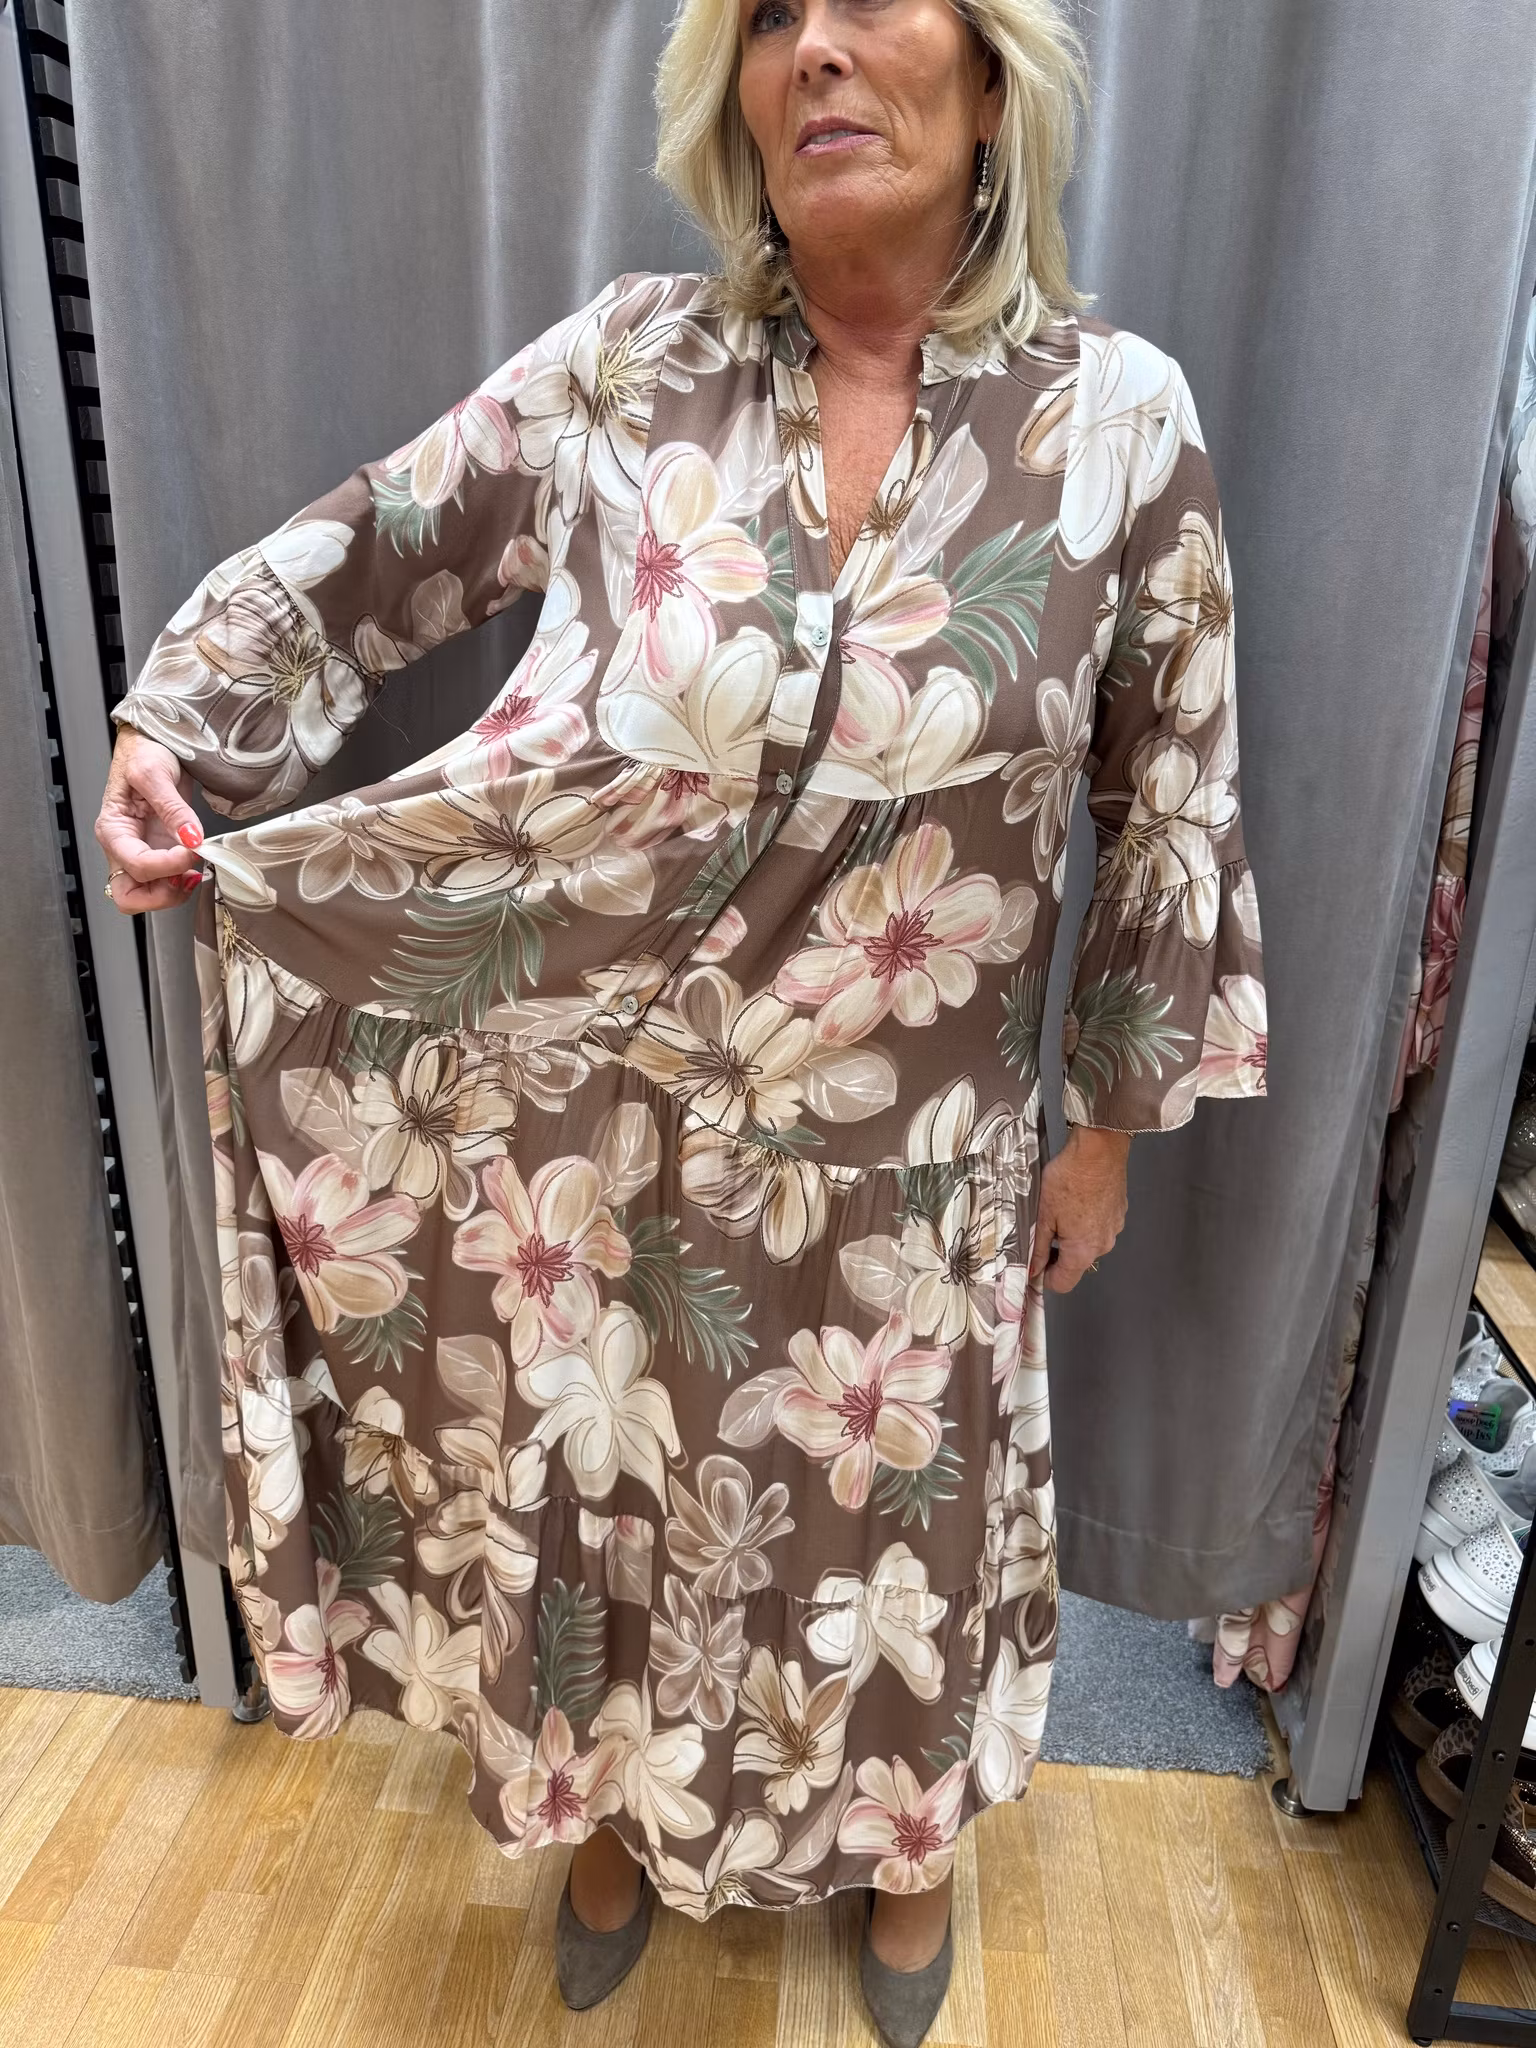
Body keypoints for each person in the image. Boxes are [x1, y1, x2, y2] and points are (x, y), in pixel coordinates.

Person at [95, 1, 1268, 2040]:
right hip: (629, 1145)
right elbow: (390, 536)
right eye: (771, 18)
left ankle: (904, 1850)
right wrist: (175, 719)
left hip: (918, 1174)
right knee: (623, 1507)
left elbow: (1171, 798)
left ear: (994, 71)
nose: (818, 52)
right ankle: (617, 1815)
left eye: (872, 2)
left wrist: (1104, 1128)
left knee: (897, 1530)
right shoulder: (636, 370)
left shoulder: (1120, 424)